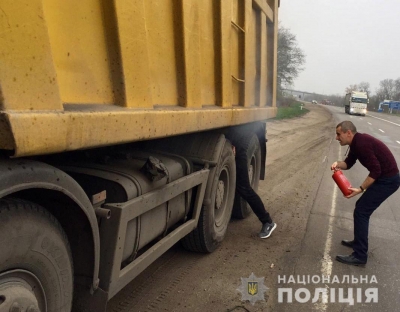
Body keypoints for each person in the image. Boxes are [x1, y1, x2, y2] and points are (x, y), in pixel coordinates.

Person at [331, 120, 400, 266]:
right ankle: (358, 242)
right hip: (384, 178)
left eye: (338, 134)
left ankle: (360, 255)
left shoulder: (361, 144)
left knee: (361, 211)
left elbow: (376, 170)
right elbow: (348, 163)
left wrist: (361, 189)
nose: (337, 138)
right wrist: (338, 164)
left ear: (348, 132)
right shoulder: (355, 143)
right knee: (361, 208)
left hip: (388, 180)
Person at [228, 125, 277, 239]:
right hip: (238, 144)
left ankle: (268, 222)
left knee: (244, 188)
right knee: (243, 188)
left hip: (241, 149)